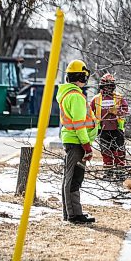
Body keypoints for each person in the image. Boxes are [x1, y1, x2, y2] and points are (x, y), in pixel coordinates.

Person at [57, 59, 98, 223]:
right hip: (77, 142)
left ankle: (71, 213)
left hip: (74, 141)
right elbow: (79, 125)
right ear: (82, 76)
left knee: (70, 177)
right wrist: (87, 147)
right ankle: (74, 215)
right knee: (74, 178)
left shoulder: (68, 94)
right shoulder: (76, 97)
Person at [90, 73, 129, 179]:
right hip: (103, 130)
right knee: (106, 151)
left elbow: (125, 110)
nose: (109, 88)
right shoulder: (96, 99)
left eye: (111, 86)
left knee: (119, 150)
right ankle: (108, 171)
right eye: (106, 86)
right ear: (102, 86)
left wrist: (117, 111)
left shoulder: (119, 97)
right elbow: (89, 112)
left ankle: (120, 171)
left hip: (117, 130)